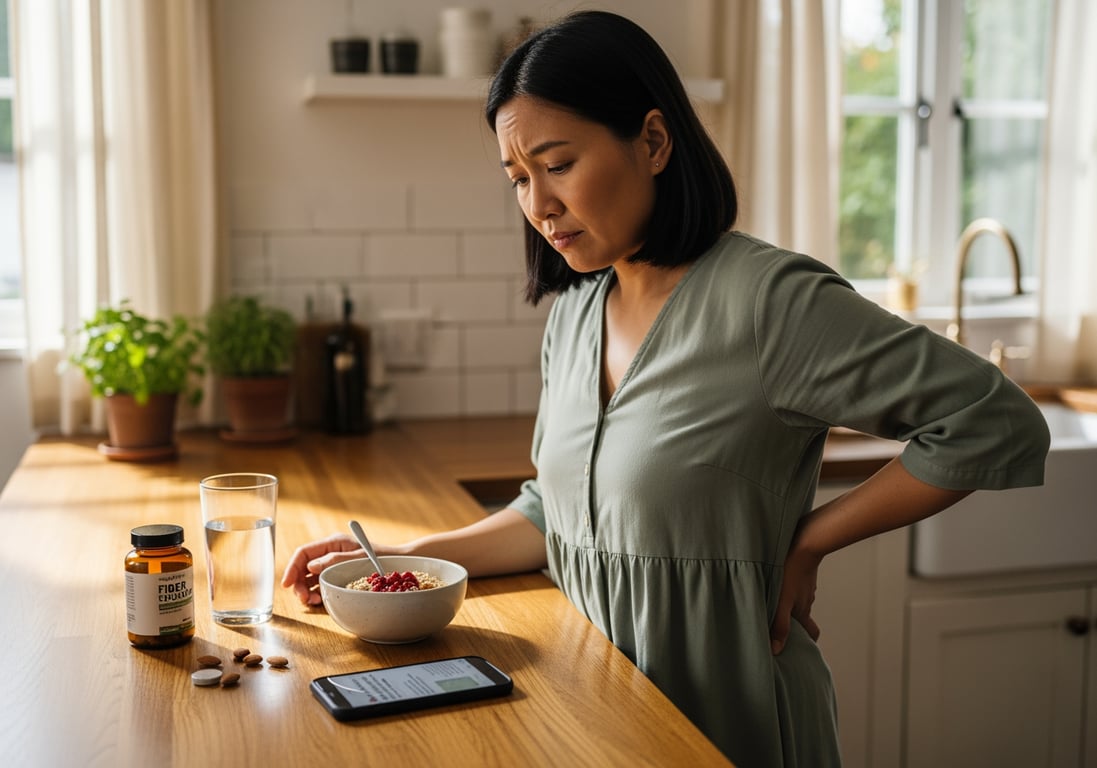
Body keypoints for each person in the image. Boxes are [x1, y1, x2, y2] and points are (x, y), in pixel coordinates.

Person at [282, 10, 1050, 766]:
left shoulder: (769, 303)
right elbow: (560, 515)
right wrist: (408, 557)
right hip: (592, 721)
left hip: (730, 721)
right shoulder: (576, 313)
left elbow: (992, 420)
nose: (538, 204)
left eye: (557, 164)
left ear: (652, 140)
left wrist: (812, 537)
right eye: (518, 177)